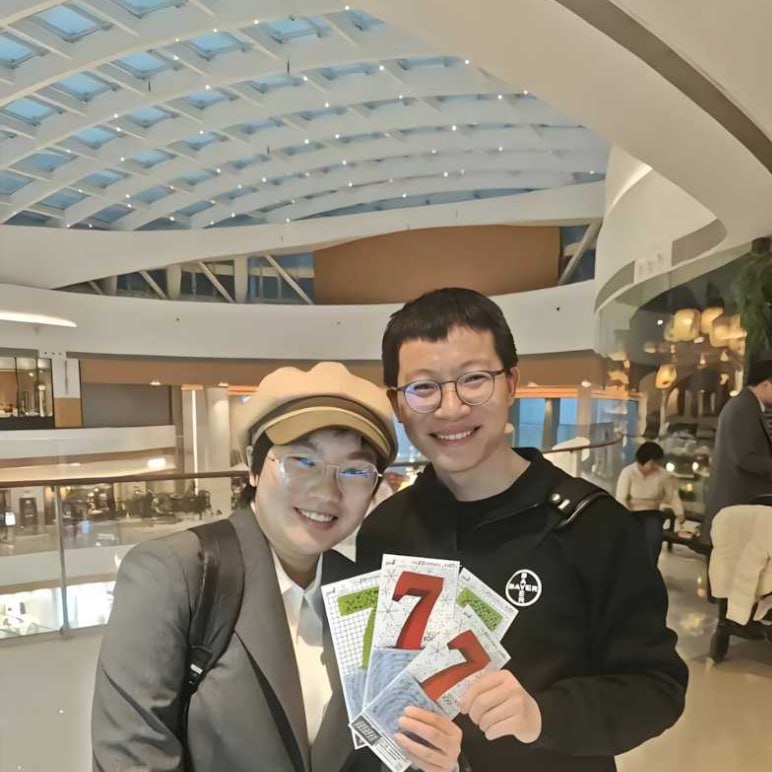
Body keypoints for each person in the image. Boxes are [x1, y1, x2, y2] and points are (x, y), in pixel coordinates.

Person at [357, 288, 688, 772]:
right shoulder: (386, 532)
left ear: (511, 382)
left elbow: (657, 688)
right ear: (398, 403)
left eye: (474, 379)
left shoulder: (591, 525)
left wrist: (541, 716)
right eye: (423, 387)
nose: (451, 408)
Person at [92, 362, 462, 772]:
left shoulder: (369, 596)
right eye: (302, 460)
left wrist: (436, 763)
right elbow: (133, 757)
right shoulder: (174, 574)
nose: (326, 491)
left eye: (355, 471)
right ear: (254, 467)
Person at [703, 359, 772, 544]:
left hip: (739, 507)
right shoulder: (743, 408)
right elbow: (743, 457)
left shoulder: (748, 406)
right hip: (736, 505)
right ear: (766, 384)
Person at [616, 441, 685, 560]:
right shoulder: (628, 472)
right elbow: (621, 498)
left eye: (656, 462)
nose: (654, 466)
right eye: (652, 462)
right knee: (629, 538)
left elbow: (673, 496)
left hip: (651, 512)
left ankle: (651, 567)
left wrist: (680, 514)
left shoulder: (662, 475)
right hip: (630, 512)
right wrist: (627, 517)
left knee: (654, 535)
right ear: (642, 460)